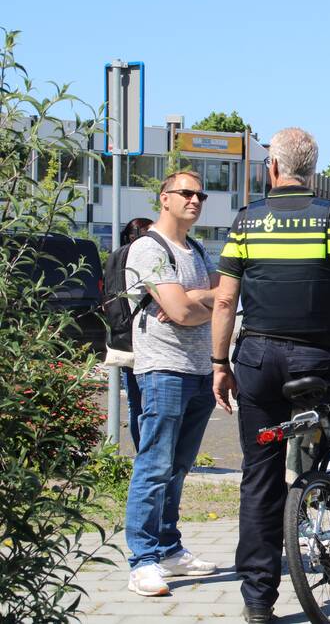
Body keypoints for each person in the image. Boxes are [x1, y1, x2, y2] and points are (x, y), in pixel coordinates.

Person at [210, 128, 330, 623]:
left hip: (258, 363)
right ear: (313, 170)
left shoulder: (246, 222)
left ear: (272, 169)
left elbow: (223, 300)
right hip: (320, 361)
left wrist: (220, 364)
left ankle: (258, 601)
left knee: (258, 477)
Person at [123, 172, 219, 597]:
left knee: (179, 467)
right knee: (154, 464)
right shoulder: (148, 248)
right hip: (162, 367)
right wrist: (197, 300)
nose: (196, 199)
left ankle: (168, 548)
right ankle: (142, 560)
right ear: (165, 199)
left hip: (198, 368)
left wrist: (194, 298)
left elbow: (225, 296)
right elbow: (180, 312)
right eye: (186, 193)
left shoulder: (196, 249)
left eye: (200, 193)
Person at [119, 216, 153, 451]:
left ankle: (142, 451)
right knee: (152, 404)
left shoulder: (116, 257)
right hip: (147, 337)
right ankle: (149, 454)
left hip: (124, 338)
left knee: (135, 404)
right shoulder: (146, 256)